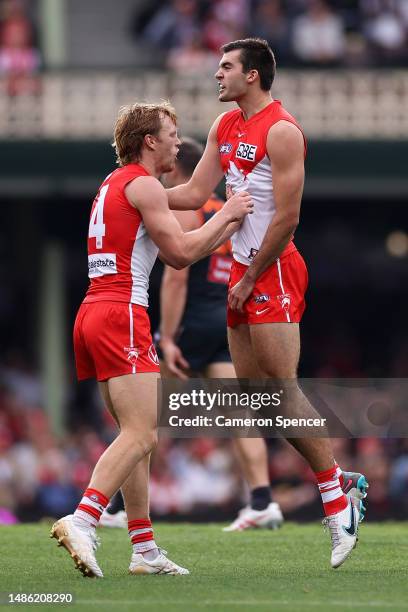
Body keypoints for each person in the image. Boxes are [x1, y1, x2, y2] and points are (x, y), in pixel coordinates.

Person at [166, 38, 368, 568]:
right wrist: (127, 191)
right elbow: (190, 193)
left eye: (226, 66)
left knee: (282, 388)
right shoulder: (223, 127)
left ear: (252, 75)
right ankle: (338, 482)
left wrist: (251, 274)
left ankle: (336, 501)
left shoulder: (281, 130)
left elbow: (287, 218)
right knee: (260, 402)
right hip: (242, 271)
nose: (217, 73)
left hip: (272, 268)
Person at [50, 101, 253, 578]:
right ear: (149, 141)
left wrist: (224, 150)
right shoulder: (143, 185)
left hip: (94, 310)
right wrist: (227, 218)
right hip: (122, 310)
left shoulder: (120, 182)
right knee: (143, 432)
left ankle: (143, 548)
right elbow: (181, 255)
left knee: (135, 434)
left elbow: (194, 191)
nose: (178, 141)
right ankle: (84, 519)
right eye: (171, 132)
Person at [159, 136, 283, 531]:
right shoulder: (229, 210)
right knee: (240, 413)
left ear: (182, 171)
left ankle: (113, 507)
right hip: (228, 316)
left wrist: (167, 335)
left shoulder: (189, 210)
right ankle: (262, 499)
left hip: (193, 320)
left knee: (142, 411)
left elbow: (175, 281)